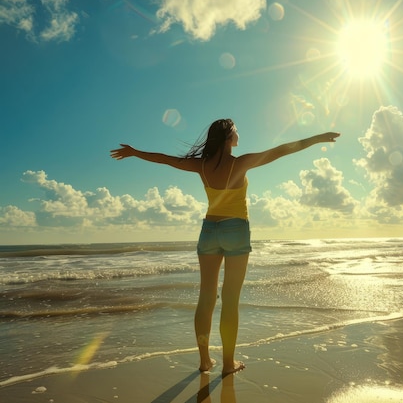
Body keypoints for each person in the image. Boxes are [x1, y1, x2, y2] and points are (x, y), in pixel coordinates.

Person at [110, 118, 340, 377]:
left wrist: (134, 153)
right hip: (236, 230)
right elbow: (282, 150)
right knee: (230, 301)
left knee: (206, 299)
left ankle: (204, 361)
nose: (239, 133)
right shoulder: (241, 163)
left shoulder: (202, 166)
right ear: (229, 137)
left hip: (209, 231)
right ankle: (228, 364)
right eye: (236, 130)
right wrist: (317, 138)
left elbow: (166, 159)